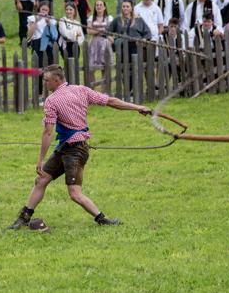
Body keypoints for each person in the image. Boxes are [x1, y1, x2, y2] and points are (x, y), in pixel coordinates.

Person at [8, 64, 151, 231]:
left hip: (75, 151)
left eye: (46, 80)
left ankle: (103, 220)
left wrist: (40, 160)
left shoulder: (52, 101)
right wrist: (138, 107)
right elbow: (111, 101)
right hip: (66, 147)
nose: (44, 84)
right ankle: (24, 218)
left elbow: (48, 132)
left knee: (74, 193)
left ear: (56, 80)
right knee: (41, 180)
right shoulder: (81, 90)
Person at [27, 0, 58, 67]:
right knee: (39, 63)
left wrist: (49, 24)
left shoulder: (51, 19)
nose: (44, 11)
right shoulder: (33, 18)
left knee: (49, 63)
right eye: (43, 9)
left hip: (48, 43)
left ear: (49, 11)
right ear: (39, 9)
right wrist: (36, 20)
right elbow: (30, 34)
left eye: (46, 10)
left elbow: (54, 34)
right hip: (37, 42)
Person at [86, 0, 113, 69]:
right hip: (94, 43)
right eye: (97, 5)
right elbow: (89, 31)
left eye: (101, 5)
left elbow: (111, 32)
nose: (99, 7)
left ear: (104, 7)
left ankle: (104, 77)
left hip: (106, 42)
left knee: (106, 67)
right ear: (95, 7)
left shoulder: (109, 18)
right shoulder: (91, 18)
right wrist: (100, 30)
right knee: (91, 67)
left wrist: (96, 30)